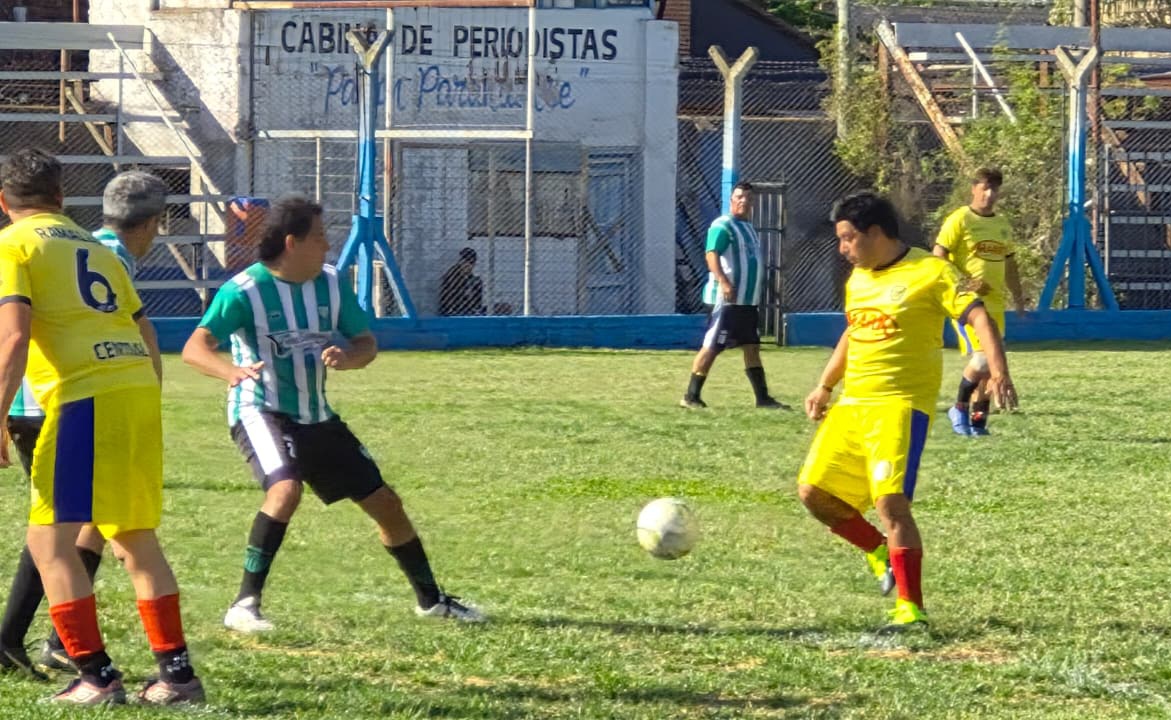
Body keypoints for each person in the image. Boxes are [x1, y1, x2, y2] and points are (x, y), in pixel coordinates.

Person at [181, 194, 484, 634]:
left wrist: (351, 357)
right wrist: (231, 371)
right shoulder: (244, 290)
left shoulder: (330, 283)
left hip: (317, 415)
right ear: (292, 242)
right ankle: (244, 604)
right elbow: (196, 347)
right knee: (285, 491)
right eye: (320, 237)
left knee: (387, 504)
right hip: (260, 409)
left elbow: (365, 342)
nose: (328, 245)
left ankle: (431, 601)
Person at [0, 149, 203, 704]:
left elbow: (13, 336)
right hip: (135, 390)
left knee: (49, 544)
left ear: (4, 203)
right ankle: (178, 678)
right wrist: (143, 405)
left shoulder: (13, 245)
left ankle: (95, 676)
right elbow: (148, 334)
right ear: (63, 199)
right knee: (134, 537)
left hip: (82, 399)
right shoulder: (96, 246)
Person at [797, 191, 1018, 632]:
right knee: (813, 493)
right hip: (853, 403)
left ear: (875, 233)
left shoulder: (931, 271)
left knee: (891, 503)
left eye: (847, 239)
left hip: (899, 406)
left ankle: (910, 608)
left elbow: (978, 317)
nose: (843, 249)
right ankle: (879, 552)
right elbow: (853, 332)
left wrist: (998, 370)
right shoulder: (858, 279)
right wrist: (825, 384)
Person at [933, 167, 1025, 436]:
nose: (989, 194)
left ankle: (978, 423)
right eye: (984, 187)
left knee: (988, 370)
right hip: (967, 303)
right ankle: (959, 407)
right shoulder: (959, 219)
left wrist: (1018, 297)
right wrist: (966, 284)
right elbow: (937, 257)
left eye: (994, 189)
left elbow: (1010, 264)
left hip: (995, 303)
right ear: (973, 188)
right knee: (984, 359)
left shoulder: (1002, 225)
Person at [679, 182, 786, 410]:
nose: (743, 201)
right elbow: (711, 255)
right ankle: (690, 395)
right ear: (731, 200)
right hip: (727, 300)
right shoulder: (722, 225)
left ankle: (763, 398)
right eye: (739, 197)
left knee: (752, 346)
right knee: (712, 345)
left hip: (747, 301)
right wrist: (725, 282)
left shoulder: (748, 228)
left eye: (748, 198)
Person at [439, 247, 486, 316]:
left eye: (471, 262)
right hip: (453, 310)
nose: (467, 265)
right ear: (460, 262)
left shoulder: (471, 278)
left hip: (468, 308)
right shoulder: (453, 275)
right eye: (465, 261)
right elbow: (452, 298)